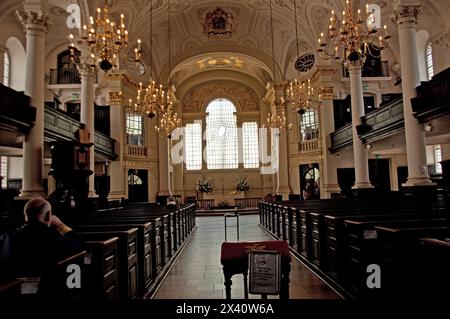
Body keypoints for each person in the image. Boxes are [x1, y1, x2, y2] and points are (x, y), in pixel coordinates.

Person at [0, 198, 84, 280]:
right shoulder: (53, 236)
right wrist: (62, 226)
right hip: (46, 289)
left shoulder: (6, 236)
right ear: (48, 215)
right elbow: (79, 249)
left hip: (11, 290)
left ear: (26, 215)